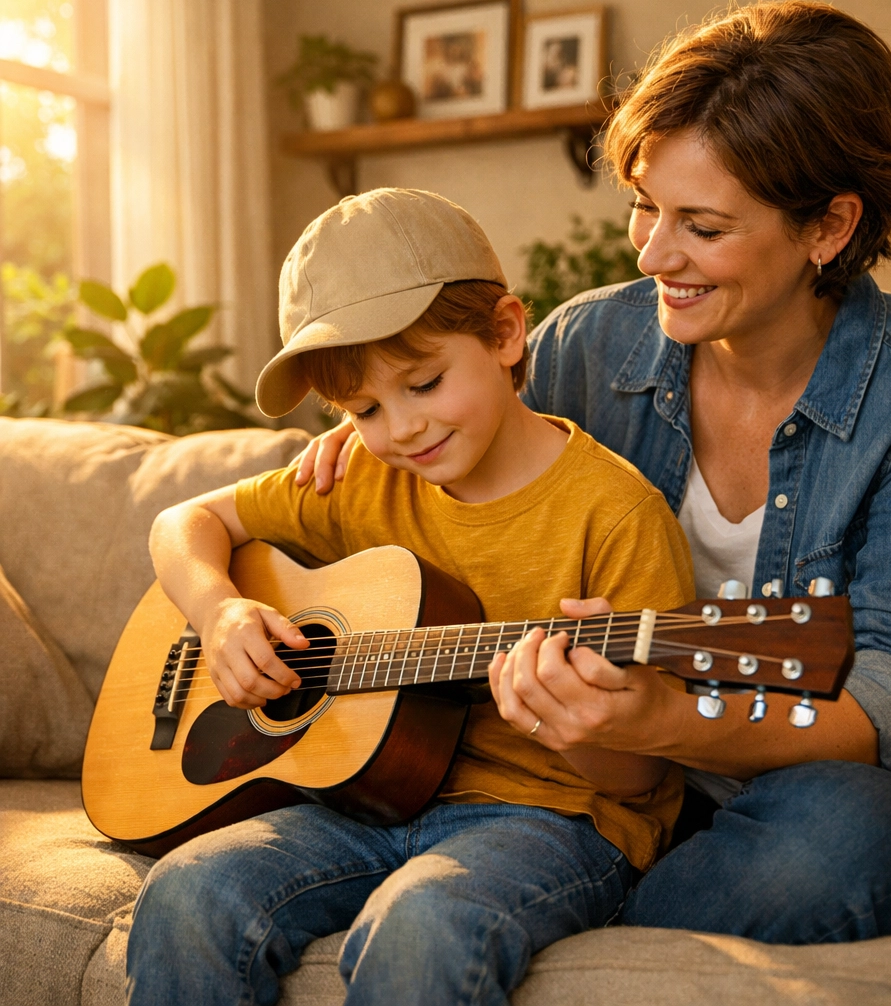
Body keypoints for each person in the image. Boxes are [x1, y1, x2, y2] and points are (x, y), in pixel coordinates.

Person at [295, 0, 891, 944]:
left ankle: (560, 915)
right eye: (645, 207)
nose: (652, 254)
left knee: (864, 837)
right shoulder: (585, 342)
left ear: (829, 227)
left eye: (703, 227)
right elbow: (440, 448)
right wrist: (365, 442)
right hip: (572, 792)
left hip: (780, 792)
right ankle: (516, 899)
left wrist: (664, 723)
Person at [125, 188, 695, 1006]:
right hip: (363, 800)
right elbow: (183, 522)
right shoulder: (364, 472)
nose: (402, 430)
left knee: (422, 920)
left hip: (554, 817)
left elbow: (639, 776)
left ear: (505, 334)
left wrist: (569, 715)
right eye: (363, 408)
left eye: (424, 383)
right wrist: (219, 611)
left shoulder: (615, 514)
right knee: (187, 891)